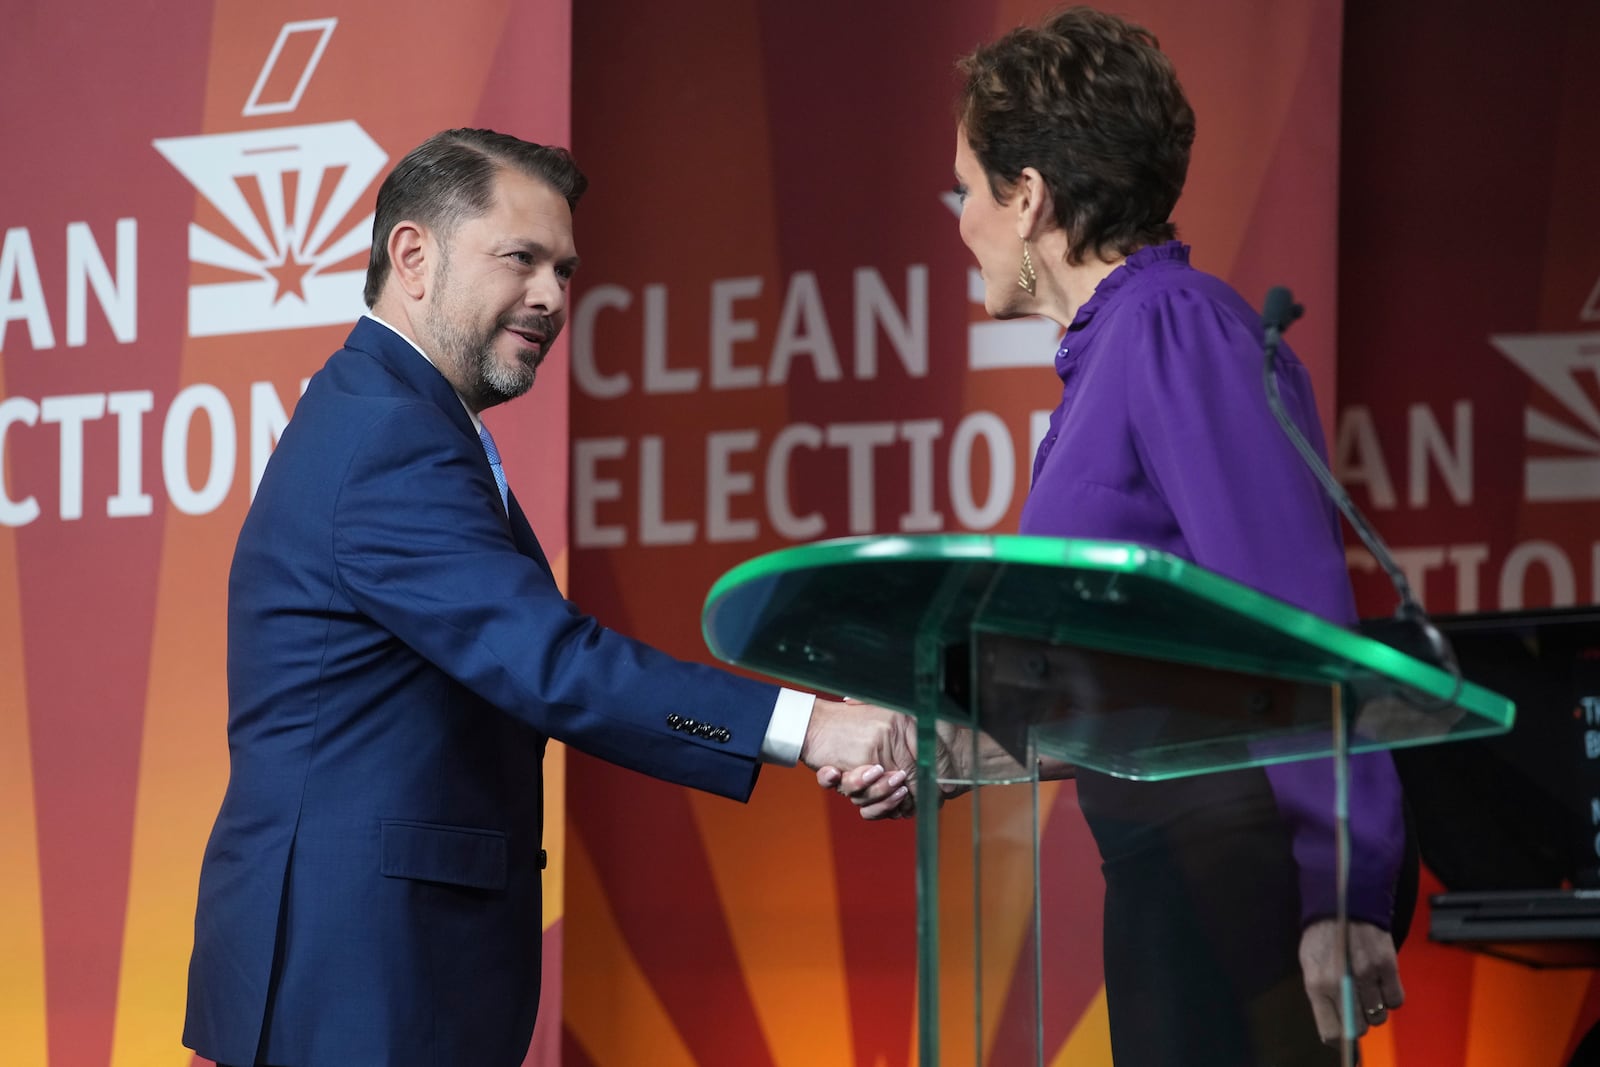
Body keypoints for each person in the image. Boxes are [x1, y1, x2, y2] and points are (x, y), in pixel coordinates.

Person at [182, 128, 911, 1067]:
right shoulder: (384, 438)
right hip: (355, 984)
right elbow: (551, 661)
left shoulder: (397, 415)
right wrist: (816, 727)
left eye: (564, 270)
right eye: (520, 259)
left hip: (375, 974)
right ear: (413, 255)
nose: (552, 298)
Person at [825, 9, 1413, 1065]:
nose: (957, 217)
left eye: (967, 187)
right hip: (1164, 871)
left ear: (1030, 196)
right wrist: (943, 748)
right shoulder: (1111, 355)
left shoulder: (1171, 325)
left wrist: (1343, 883)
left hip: (1240, 880)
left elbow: (1291, 611)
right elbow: (1142, 684)